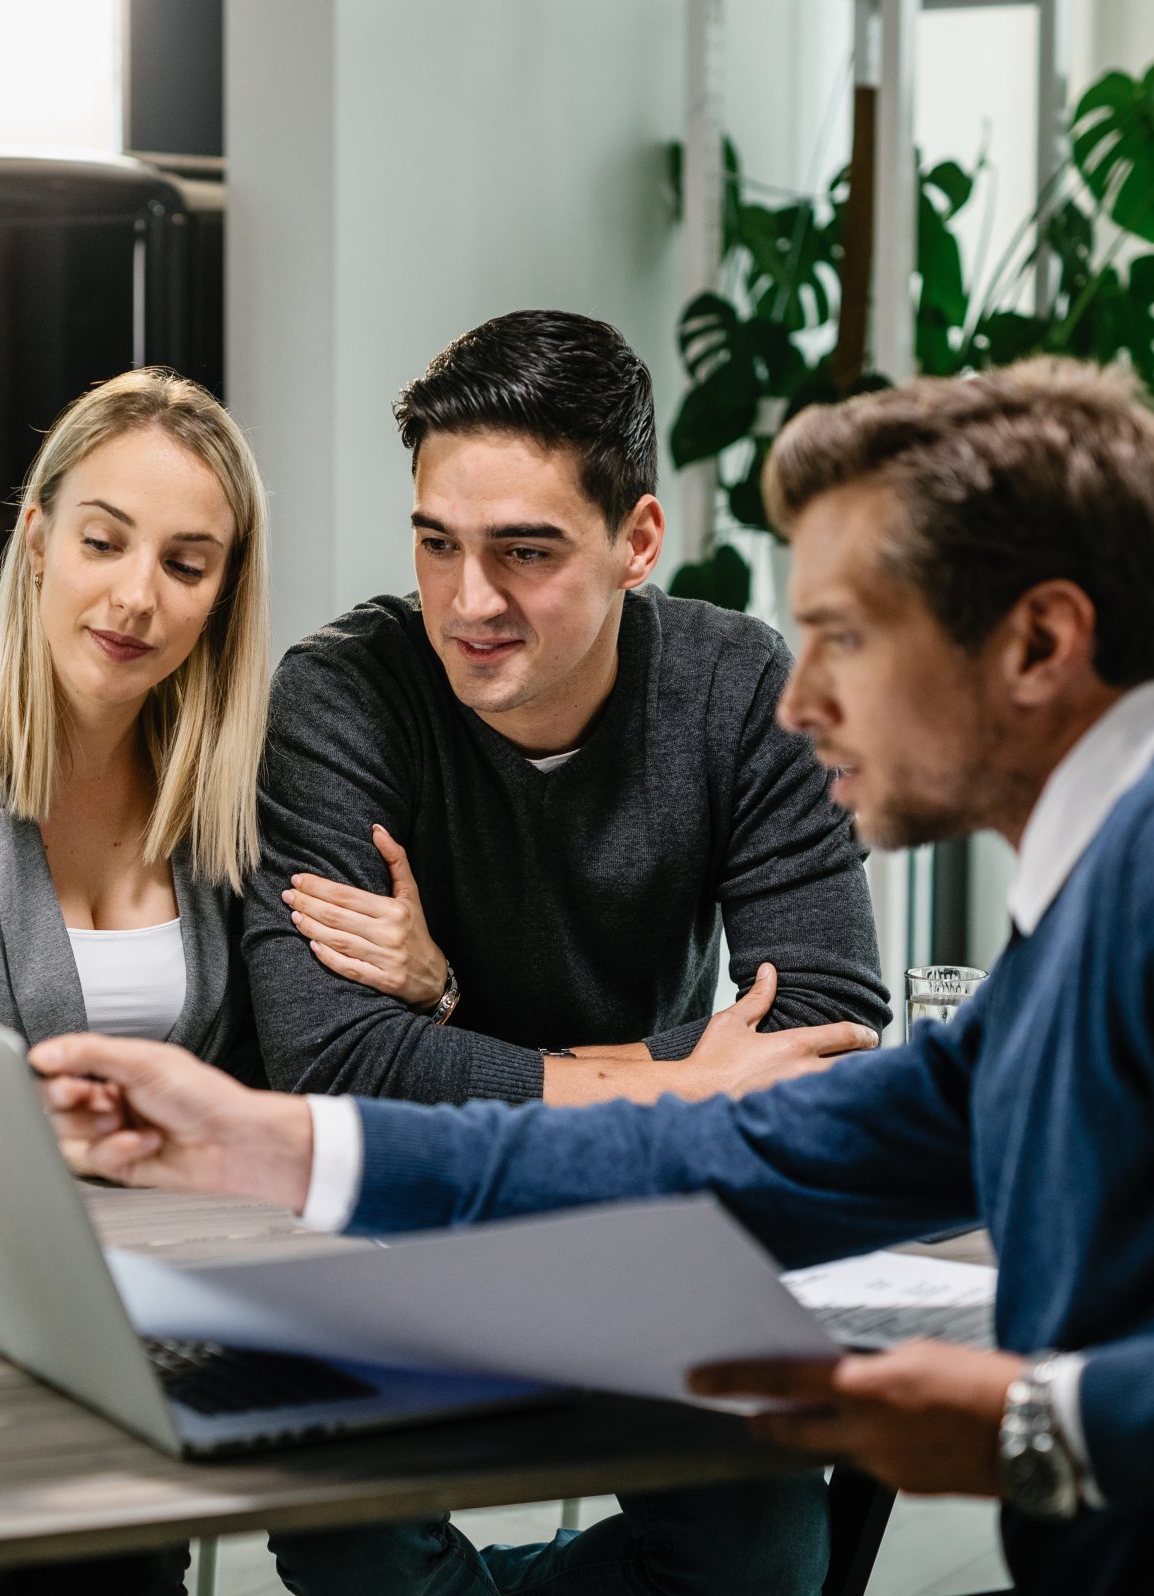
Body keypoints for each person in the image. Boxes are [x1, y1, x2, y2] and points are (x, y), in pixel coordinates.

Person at [33, 359, 1154, 1596]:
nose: (796, 703)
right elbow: (746, 1146)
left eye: (848, 636)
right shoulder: (1117, 883)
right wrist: (263, 1141)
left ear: (1039, 644)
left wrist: (1030, 1424)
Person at [241, 309, 891, 1596]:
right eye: (437, 545)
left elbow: (825, 1028)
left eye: (523, 552)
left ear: (637, 541)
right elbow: (323, 1058)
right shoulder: (344, 696)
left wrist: (443, 1017)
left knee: (765, 1554)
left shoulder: (740, 692)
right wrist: (670, 1083)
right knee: (354, 1548)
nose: (468, 602)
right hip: (396, 1228)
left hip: (642, 1219)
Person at [0, 368, 427, 1596]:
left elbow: (292, 1063)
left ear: (222, 594)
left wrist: (427, 980)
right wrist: (63, 1132)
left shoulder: (233, 805)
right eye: (104, 541)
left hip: (154, 1326)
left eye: (187, 563)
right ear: (36, 540)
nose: (136, 596)